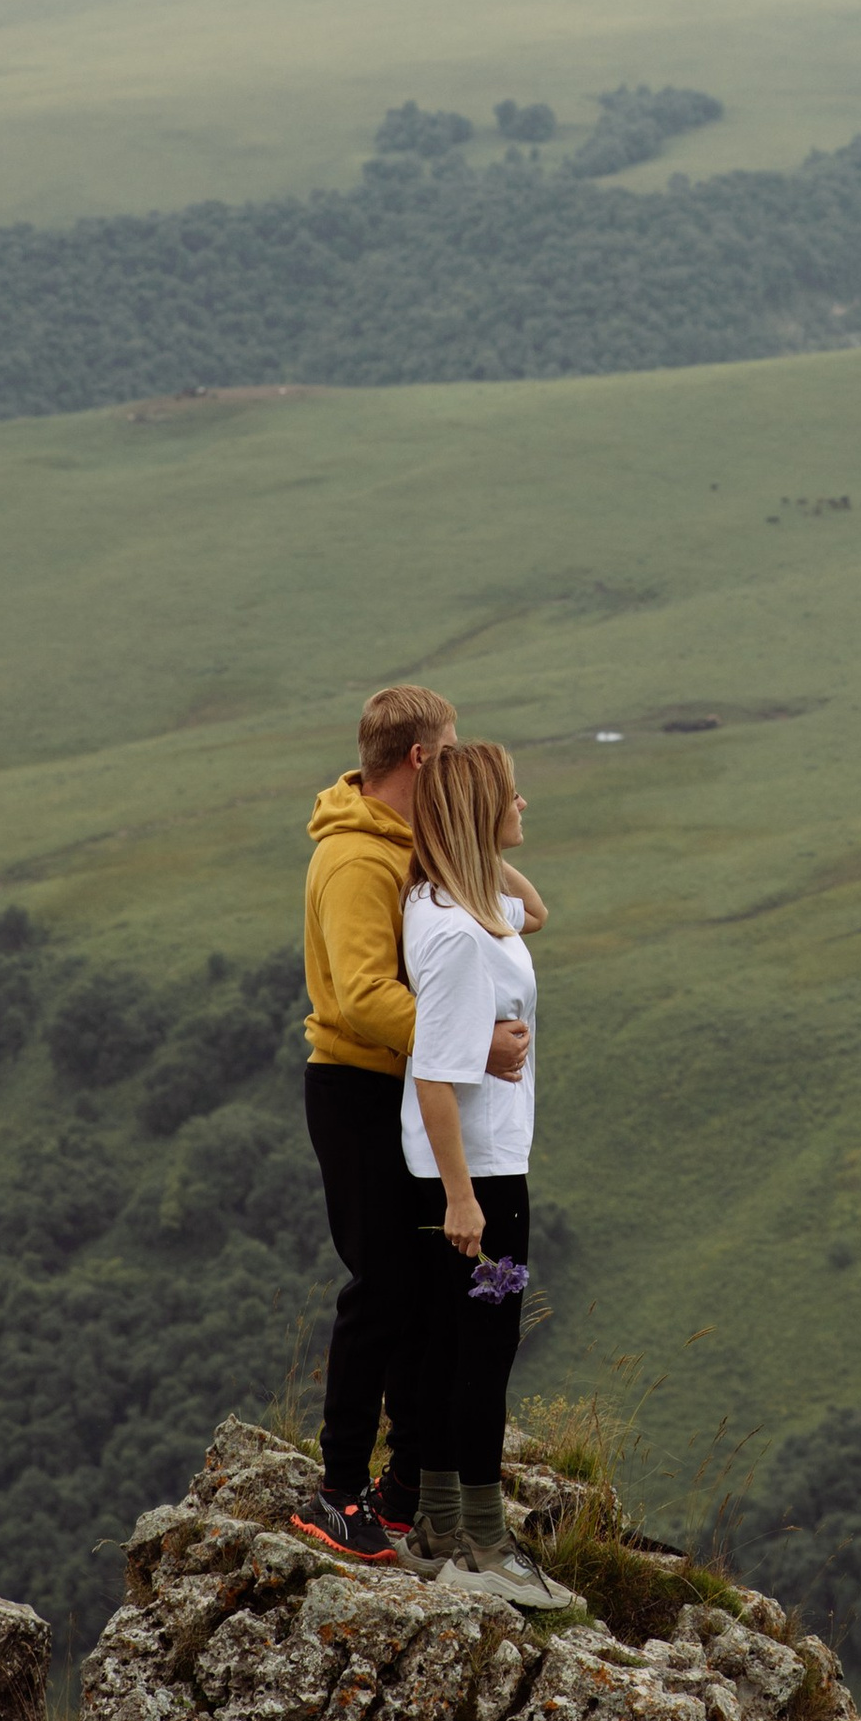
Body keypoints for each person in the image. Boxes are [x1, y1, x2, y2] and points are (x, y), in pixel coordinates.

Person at [293, 685, 539, 1563]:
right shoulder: (357, 860)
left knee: (421, 1294)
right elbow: (363, 996)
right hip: (357, 1088)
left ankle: (404, 1488)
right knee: (383, 1291)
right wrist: (472, 1045)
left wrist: (470, 841)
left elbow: (525, 910)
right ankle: (337, 1492)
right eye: (454, 746)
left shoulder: (402, 843)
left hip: (397, 1088)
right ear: (423, 757)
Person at [398, 738, 570, 1604]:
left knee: (446, 1344)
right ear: (477, 814)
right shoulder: (464, 937)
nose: (524, 804)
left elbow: (534, 913)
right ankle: (486, 1548)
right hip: (482, 1177)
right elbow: (435, 1074)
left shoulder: (441, 904)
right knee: (485, 1351)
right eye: (511, 795)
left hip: (450, 1169)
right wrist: (465, 1199)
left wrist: (476, 850)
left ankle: (438, 1527)